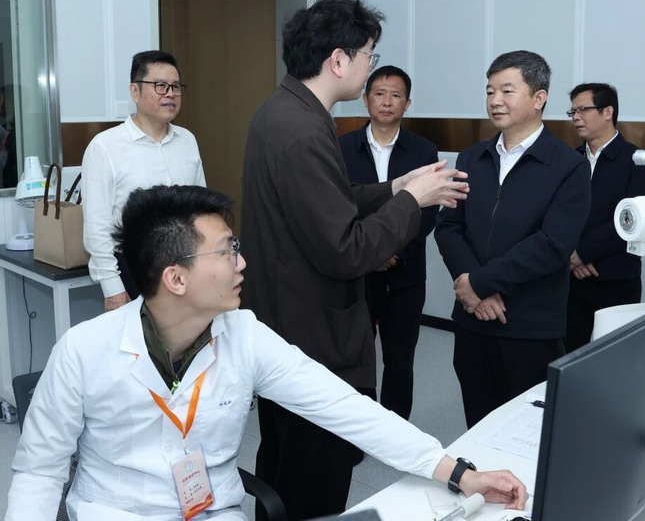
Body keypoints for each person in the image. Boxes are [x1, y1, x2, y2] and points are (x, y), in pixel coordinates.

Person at [5, 185, 526, 521]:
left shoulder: (244, 334)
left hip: (213, 513)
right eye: (227, 251)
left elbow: (344, 407)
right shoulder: (84, 351)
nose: (242, 263)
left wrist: (457, 471)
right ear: (176, 279)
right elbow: (39, 473)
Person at [241, 0, 469, 519]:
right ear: (339, 61)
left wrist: (395, 187)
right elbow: (345, 248)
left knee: (283, 463)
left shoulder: (285, 110)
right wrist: (414, 201)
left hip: (283, 321)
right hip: (310, 334)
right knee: (313, 479)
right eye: (369, 55)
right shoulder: (303, 129)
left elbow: (327, 200)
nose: (371, 66)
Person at [434, 50, 591, 428]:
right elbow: (449, 227)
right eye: (490, 91)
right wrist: (470, 285)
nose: (495, 100)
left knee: (522, 433)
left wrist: (480, 283)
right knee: (476, 423)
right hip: (472, 320)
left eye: (507, 90)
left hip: (528, 327)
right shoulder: (471, 158)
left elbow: (552, 245)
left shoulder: (568, 165)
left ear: (539, 98)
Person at [338, 65, 438, 420]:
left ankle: (396, 428)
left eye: (396, 95)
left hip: (405, 272)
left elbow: (429, 211)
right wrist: (370, 250)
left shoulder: (423, 150)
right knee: (356, 356)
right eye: (379, 94)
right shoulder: (341, 148)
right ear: (366, 100)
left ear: (407, 104)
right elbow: (338, 206)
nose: (386, 101)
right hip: (356, 270)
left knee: (401, 357)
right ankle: (359, 428)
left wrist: (393, 250)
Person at [82, 50, 205, 312]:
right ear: (135, 91)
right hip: (134, 266)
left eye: (175, 87)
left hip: (185, 262)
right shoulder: (105, 147)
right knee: (143, 338)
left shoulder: (187, 140)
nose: (170, 94)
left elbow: (200, 209)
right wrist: (113, 288)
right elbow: (97, 227)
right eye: (160, 85)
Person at [564, 83, 645, 352]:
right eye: (572, 112)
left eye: (583, 110)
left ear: (607, 112)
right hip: (570, 277)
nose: (576, 117)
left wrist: (582, 252)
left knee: (615, 355)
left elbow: (630, 221)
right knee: (568, 355)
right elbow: (557, 214)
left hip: (616, 276)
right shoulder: (569, 159)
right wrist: (571, 256)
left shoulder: (637, 160)